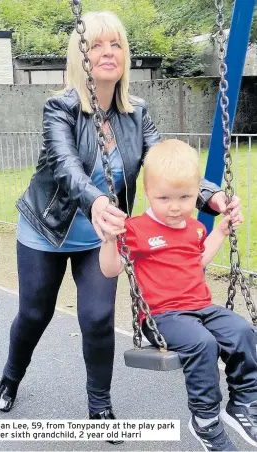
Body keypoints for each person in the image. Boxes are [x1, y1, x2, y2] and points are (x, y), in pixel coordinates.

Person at [0, 11, 242, 436]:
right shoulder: (60, 108)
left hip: (103, 235)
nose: (108, 52)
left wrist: (210, 195)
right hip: (47, 230)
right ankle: (11, 376)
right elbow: (67, 167)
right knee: (35, 313)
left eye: (116, 44)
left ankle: (100, 405)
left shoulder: (137, 114)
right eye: (96, 44)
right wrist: (94, 202)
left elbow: (163, 162)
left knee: (96, 317)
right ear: (81, 55)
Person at [99, 138, 257, 451]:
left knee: (241, 330)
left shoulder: (195, 228)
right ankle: (205, 420)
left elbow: (197, 262)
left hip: (200, 308)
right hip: (161, 317)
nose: (175, 206)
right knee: (203, 343)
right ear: (147, 193)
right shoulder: (136, 229)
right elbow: (111, 269)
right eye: (164, 198)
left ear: (197, 192)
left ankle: (243, 401)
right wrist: (108, 241)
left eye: (185, 197)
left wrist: (220, 233)